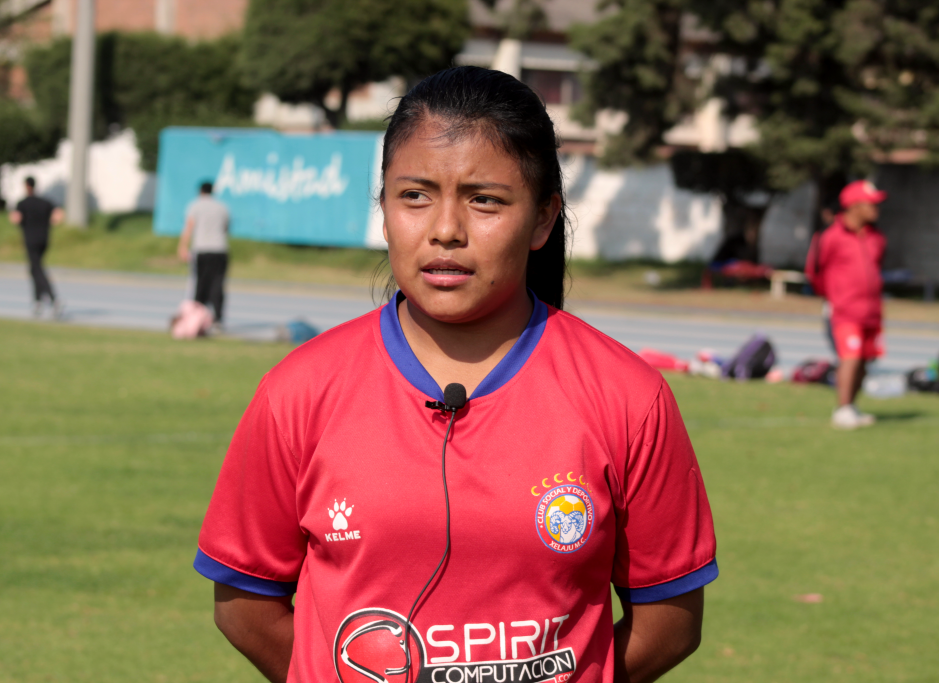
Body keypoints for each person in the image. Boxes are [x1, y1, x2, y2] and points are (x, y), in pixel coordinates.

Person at [193, 67, 717, 683]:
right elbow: (244, 603)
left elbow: (671, 618)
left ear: (545, 218)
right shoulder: (300, 391)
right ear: (384, 210)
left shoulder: (627, 397)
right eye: (414, 195)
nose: (445, 229)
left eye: (485, 199)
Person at [805, 180, 887, 429]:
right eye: (871, 204)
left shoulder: (876, 238)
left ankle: (851, 405)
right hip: (844, 310)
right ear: (853, 206)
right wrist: (833, 296)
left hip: (871, 311)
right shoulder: (831, 236)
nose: (876, 208)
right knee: (849, 356)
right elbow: (815, 271)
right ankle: (841, 409)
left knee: (864, 360)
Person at [8, 176, 64, 318]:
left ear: (26, 186)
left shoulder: (23, 203)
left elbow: (15, 219)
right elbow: (58, 216)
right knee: (34, 269)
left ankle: (53, 299)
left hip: (30, 239)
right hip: (44, 239)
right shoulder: (45, 202)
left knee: (37, 269)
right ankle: (37, 302)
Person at [178, 181, 230, 328]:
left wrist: (182, 247)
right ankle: (218, 319)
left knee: (201, 284)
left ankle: (197, 318)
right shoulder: (222, 207)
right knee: (218, 285)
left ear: (200, 191)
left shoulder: (195, 205)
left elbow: (189, 227)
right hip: (220, 249)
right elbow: (226, 228)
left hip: (201, 249)